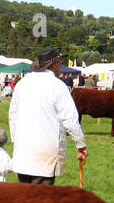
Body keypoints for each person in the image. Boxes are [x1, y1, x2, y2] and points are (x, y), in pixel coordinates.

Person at [8, 47, 87, 185]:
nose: (61, 65)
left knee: (24, 200)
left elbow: (12, 115)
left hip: (23, 151)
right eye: (60, 61)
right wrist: (81, 145)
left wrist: (16, 139)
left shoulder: (22, 84)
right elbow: (70, 120)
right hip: (45, 154)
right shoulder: (58, 86)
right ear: (54, 64)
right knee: (41, 202)